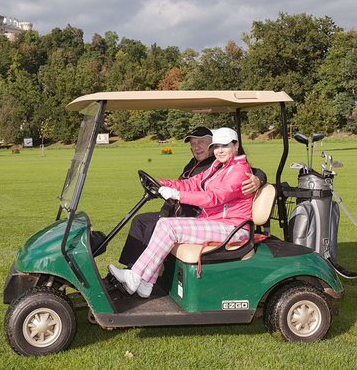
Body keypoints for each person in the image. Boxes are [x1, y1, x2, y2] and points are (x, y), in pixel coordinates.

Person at [109, 127, 255, 298]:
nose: (219, 150)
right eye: (216, 146)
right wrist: (163, 183)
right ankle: (146, 283)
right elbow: (192, 183)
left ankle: (135, 277)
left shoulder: (239, 171)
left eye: (225, 146)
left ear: (236, 146)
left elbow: (214, 197)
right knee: (164, 223)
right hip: (215, 222)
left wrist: (178, 195)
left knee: (169, 226)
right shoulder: (218, 166)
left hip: (232, 228)